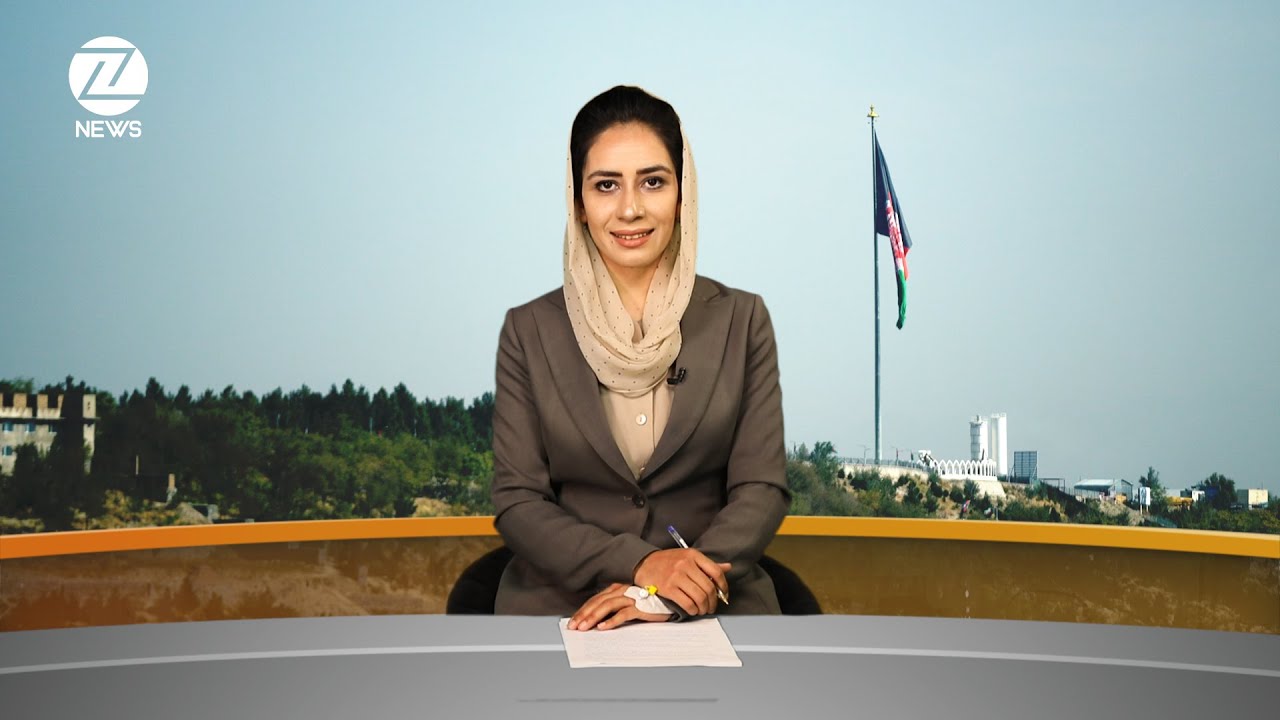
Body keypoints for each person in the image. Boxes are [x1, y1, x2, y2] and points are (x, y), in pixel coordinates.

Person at [490, 85, 790, 630]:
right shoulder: (528, 331)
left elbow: (761, 488)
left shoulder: (742, 320)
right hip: (566, 605)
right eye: (606, 185)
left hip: (706, 608)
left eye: (653, 182)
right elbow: (519, 502)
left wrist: (675, 591)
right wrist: (643, 566)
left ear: (683, 195)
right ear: (579, 204)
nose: (630, 208)